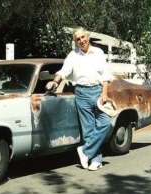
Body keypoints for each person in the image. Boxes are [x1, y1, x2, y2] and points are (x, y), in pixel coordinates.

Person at [46, 27, 113, 171]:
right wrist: (55, 81)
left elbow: (106, 74)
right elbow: (64, 71)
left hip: (97, 91)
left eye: (83, 37)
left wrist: (104, 92)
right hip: (81, 93)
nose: (81, 40)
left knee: (106, 122)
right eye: (78, 39)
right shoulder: (73, 55)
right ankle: (96, 160)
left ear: (88, 36)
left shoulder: (98, 53)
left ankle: (85, 151)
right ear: (75, 41)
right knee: (88, 129)